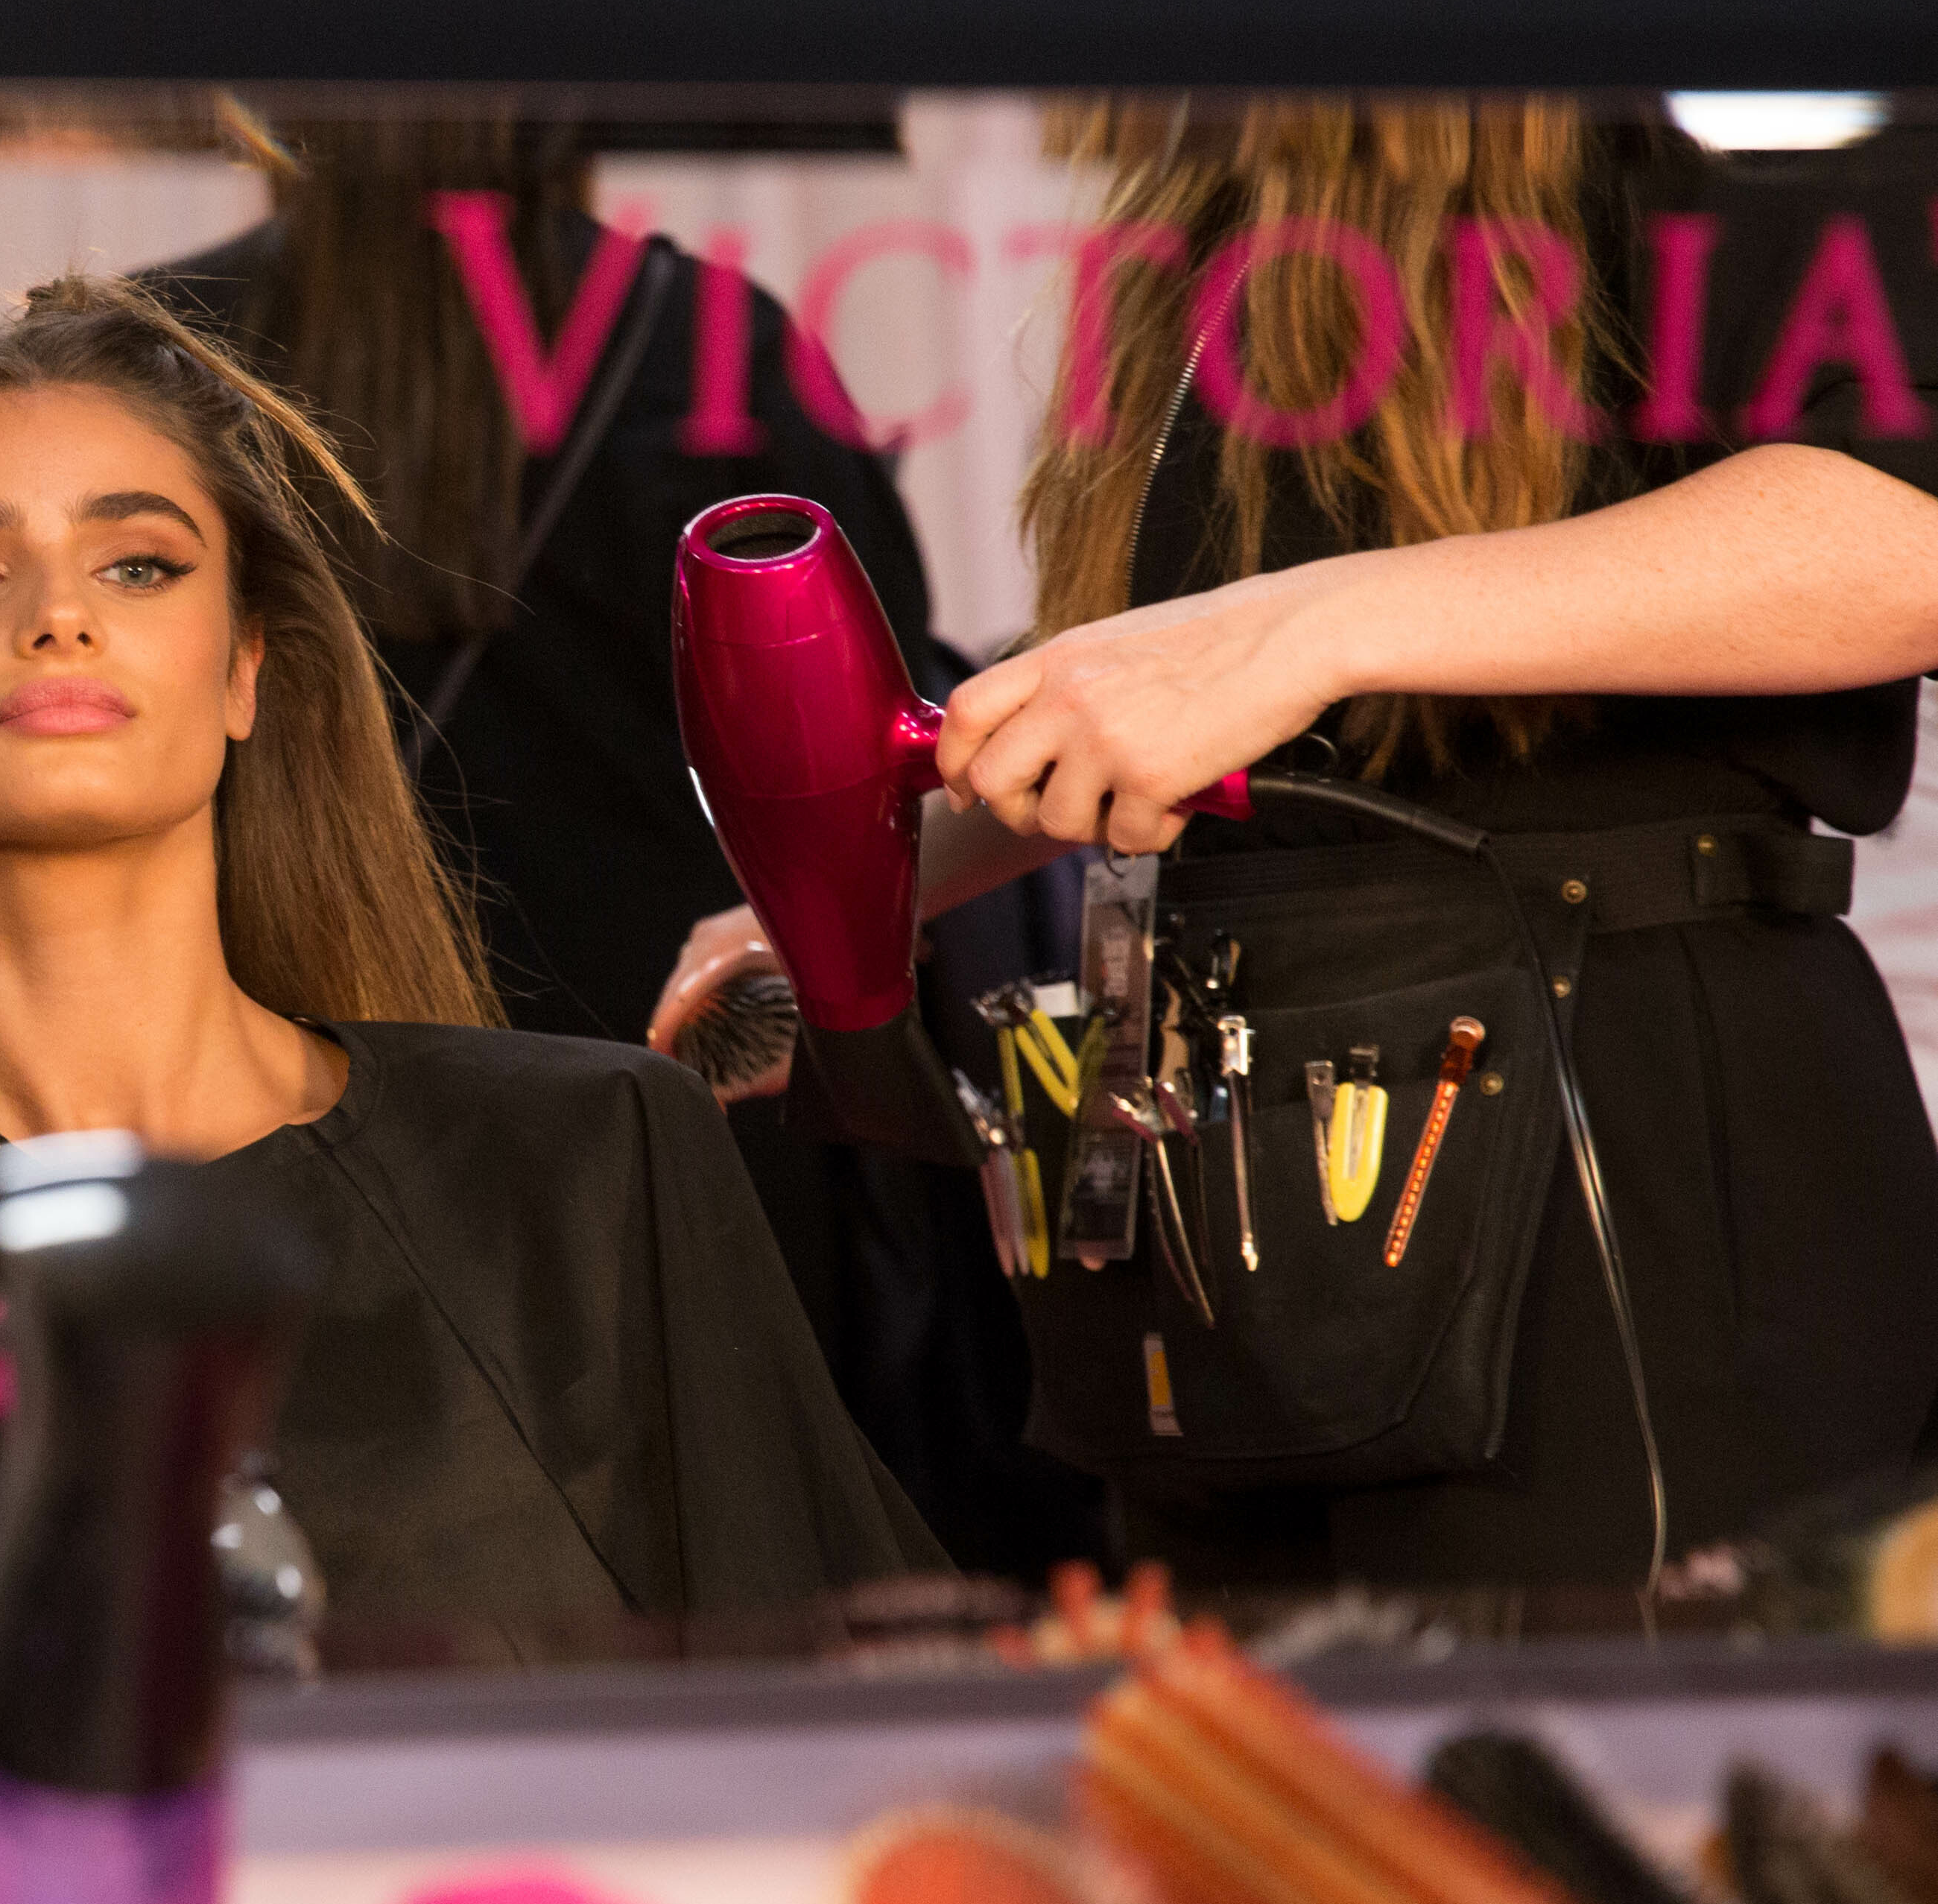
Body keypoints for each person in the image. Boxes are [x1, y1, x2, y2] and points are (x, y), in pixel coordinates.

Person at [659, 95, 1938, 1592]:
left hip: (1607, 1163)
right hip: (1261, 1205)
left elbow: (1900, 543)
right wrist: (870, 884)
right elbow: (1242, 717)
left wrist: (1294, 629)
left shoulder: (1703, 153)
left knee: (1581, 1727)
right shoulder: (1232, 251)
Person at [0, 273, 942, 1653]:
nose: (58, 614)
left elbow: (826, 1717)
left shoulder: (585, 1161)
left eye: (139, 563)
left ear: (244, 664)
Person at [148, 114, 1104, 1578]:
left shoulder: (167, 356)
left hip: (300, 1089)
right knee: (714, 1593)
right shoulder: (712, 348)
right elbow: (871, 748)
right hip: (682, 1099)